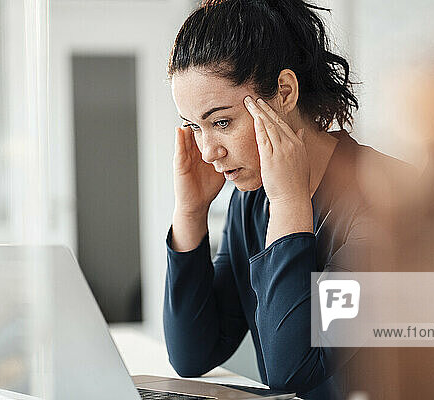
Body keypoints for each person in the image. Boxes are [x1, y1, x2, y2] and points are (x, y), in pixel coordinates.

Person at [162, 0, 413, 398]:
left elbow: (293, 373)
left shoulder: (385, 202)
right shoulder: (252, 201)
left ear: (284, 91)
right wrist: (190, 212)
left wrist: (289, 205)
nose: (208, 152)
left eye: (222, 122)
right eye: (195, 127)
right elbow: (193, 354)